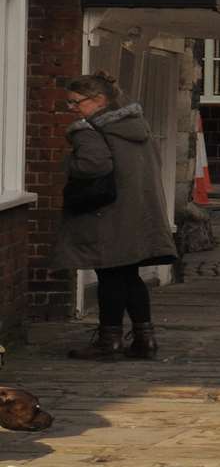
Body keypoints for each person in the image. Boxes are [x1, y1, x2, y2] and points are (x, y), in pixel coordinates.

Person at [52, 75, 177, 361]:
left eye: (75, 102)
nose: (72, 108)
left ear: (99, 101)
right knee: (129, 276)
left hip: (107, 216)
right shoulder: (136, 128)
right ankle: (145, 339)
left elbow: (92, 165)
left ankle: (109, 341)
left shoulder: (90, 131)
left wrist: (67, 161)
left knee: (109, 275)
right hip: (136, 213)